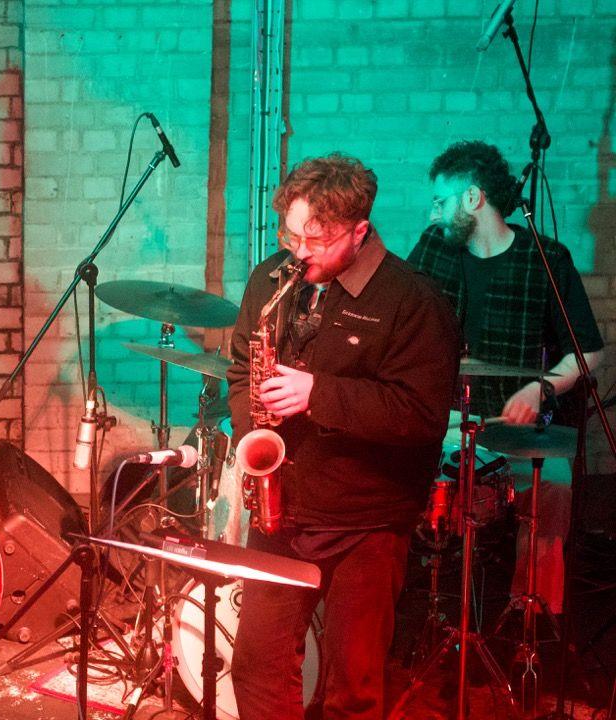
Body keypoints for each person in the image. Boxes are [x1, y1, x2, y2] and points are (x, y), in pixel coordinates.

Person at [227, 154, 461, 719]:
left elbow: (421, 414)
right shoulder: (272, 275)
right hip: (281, 512)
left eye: (318, 238)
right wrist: (252, 433)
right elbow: (240, 365)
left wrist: (318, 394)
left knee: (351, 690)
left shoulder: (413, 301)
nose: (300, 250)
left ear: (360, 231)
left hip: (367, 523)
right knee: (256, 668)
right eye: (292, 234)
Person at [409, 140, 605, 614]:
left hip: (511, 427)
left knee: (554, 486)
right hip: (445, 421)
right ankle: (416, 612)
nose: (434, 213)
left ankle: (532, 621)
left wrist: (541, 389)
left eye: (442, 201)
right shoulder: (435, 246)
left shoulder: (546, 258)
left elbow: (589, 353)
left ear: (474, 199)